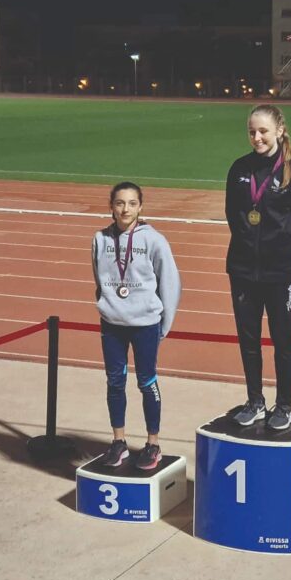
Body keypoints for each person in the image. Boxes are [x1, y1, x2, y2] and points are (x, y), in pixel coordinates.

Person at [225, 104, 291, 430]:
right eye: (252, 132)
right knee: (248, 340)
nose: (257, 137)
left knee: (282, 340)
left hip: (279, 274)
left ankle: (284, 405)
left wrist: (284, 251)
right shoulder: (239, 169)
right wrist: (248, 249)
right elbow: (233, 215)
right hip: (243, 271)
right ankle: (255, 401)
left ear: (279, 130)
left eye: (263, 131)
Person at [92, 182, 181, 468]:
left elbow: (170, 283)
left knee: (147, 382)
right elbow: (98, 278)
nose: (125, 209)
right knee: (115, 382)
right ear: (111, 206)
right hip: (112, 324)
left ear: (140, 207)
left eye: (132, 203)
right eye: (120, 203)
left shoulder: (154, 240)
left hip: (145, 324)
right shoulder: (100, 239)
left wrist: (164, 325)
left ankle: (153, 444)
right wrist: (107, 305)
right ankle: (119, 442)